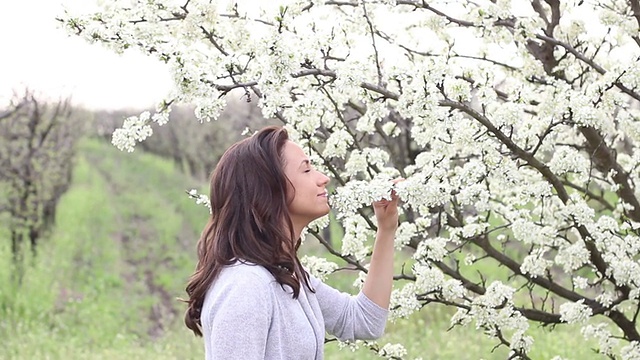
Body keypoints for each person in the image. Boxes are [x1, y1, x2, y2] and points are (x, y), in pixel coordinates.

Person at [184, 126, 400, 360]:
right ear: (269, 189)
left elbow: (363, 321)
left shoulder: (287, 274)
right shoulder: (246, 287)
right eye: (306, 170)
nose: (323, 178)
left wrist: (386, 229)